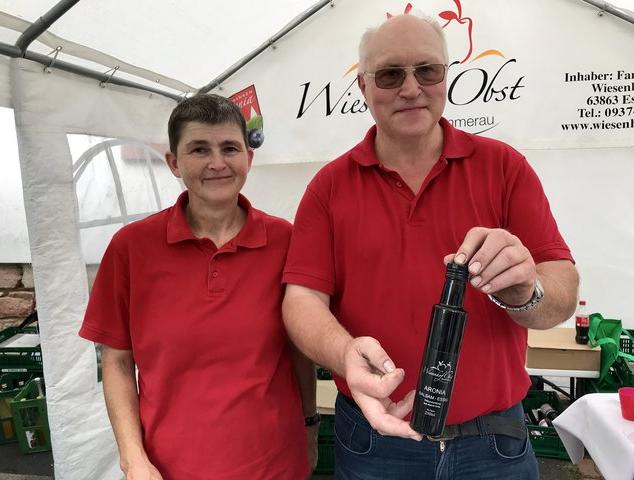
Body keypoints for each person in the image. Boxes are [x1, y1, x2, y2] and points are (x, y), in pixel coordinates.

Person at [282, 11, 579, 480]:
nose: (411, 88)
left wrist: (527, 292)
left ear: (446, 76)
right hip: (376, 438)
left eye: (427, 70)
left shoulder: (504, 167)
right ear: (363, 87)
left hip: (492, 441)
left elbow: (561, 286)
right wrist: (344, 353)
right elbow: (301, 299)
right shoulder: (329, 186)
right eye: (390, 75)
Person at [79, 94, 317, 480]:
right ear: (174, 162)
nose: (217, 163)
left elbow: (299, 349)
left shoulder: (285, 241)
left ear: (248, 158)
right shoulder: (131, 248)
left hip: (274, 464)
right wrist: (132, 458)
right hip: (169, 468)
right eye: (199, 149)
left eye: (230, 148)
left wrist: (309, 424)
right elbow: (117, 361)